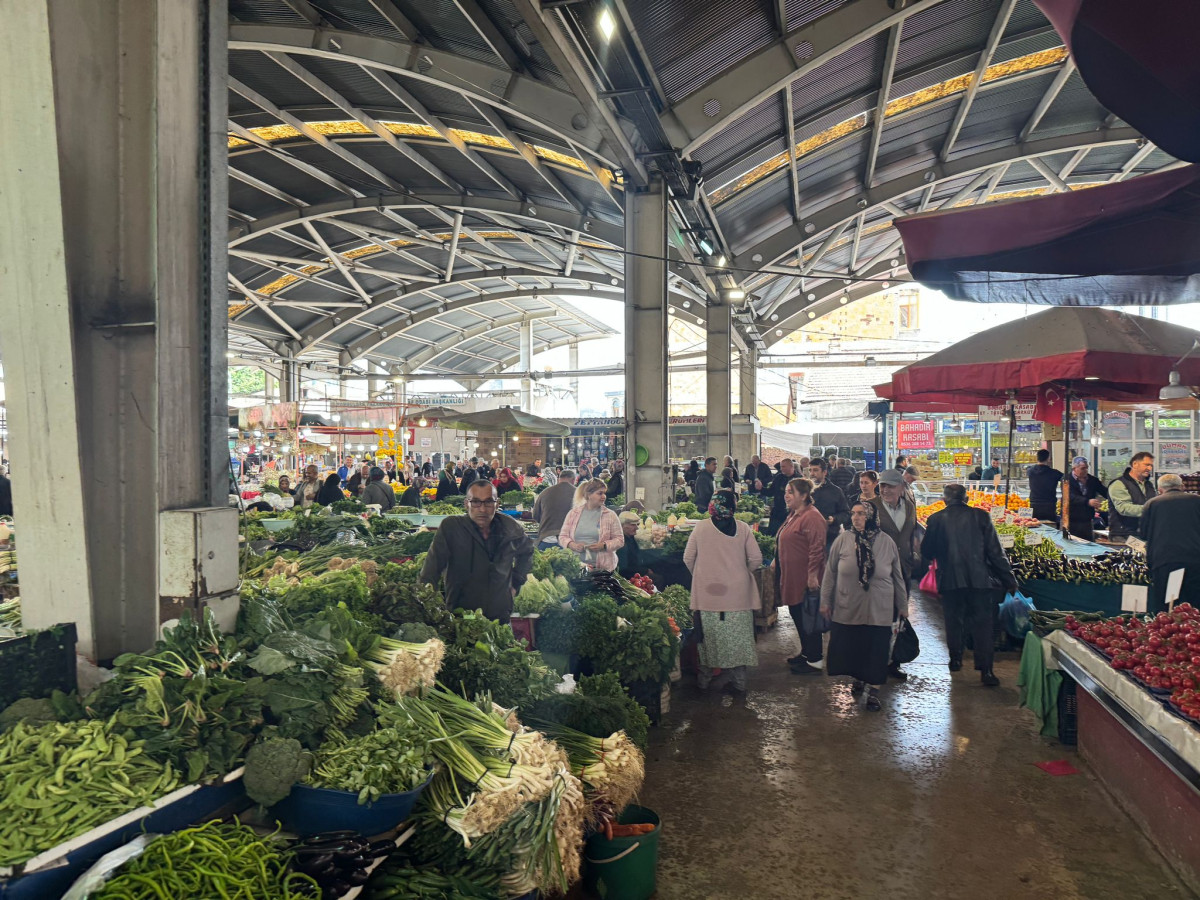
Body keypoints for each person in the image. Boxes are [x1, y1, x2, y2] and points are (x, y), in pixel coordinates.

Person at [921, 484, 1017, 686]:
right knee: (983, 625)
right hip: (979, 579)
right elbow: (995, 552)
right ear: (966, 499)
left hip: (949, 579)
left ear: (944, 499)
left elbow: (927, 552)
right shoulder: (981, 517)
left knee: (953, 620)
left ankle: (955, 659)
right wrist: (1009, 579)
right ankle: (986, 671)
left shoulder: (936, 519)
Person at [820, 502, 909, 711]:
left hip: (879, 607)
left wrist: (903, 604)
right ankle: (859, 678)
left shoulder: (887, 542)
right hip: (848, 604)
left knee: (876, 649)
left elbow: (898, 577)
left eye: (861, 514)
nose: (856, 517)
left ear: (871, 516)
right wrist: (825, 601)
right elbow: (830, 573)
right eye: (853, 513)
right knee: (855, 646)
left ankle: (874, 692)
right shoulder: (843, 540)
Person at [683, 490, 764, 692]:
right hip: (738, 596)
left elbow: (687, 558)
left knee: (709, 640)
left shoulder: (701, 528)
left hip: (708, 595)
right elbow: (756, 559)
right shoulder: (743, 528)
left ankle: (704, 681)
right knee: (739, 639)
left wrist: (702, 575)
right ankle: (739, 683)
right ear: (732, 506)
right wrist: (741, 574)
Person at [419, 480, 533, 623]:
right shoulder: (452, 528)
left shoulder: (510, 528)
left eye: (488, 502)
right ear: (467, 504)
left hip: (500, 617)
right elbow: (430, 571)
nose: (482, 509)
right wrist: (429, 609)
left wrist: (516, 582)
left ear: (497, 504)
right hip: (461, 618)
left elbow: (527, 551)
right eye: (476, 502)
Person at [774, 478, 828, 675]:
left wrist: (813, 575)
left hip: (804, 578)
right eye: (786, 491)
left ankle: (814, 661)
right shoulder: (795, 514)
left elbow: (817, 548)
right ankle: (806, 653)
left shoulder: (812, 517)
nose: (786, 495)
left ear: (803, 495)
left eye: (791, 492)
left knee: (808, 617)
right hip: (792, 576)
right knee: (798, 614)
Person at [872, 469, 920, 681]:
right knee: (877, 618)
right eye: (882, 485)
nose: (885, 489)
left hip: (903, 570)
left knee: (898, 616)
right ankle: (874, 662)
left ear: (902, 488)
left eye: (890, 486)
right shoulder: (870, 507)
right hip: (879, 574)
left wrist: (912, 559)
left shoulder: (910, 507)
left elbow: (909, 538)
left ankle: (894, 661)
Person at [1141, 474, 1200, 612]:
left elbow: (1144, 534)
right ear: (1182, 486)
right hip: (1195, 560)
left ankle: (1169, 631)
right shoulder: (1197, 501)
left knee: (1169, 603)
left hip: (1166, 561)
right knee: (1195, 603)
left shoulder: (1152, 504)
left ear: (1160, 489)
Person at [559, 479, 624, 571]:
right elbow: (563, 537)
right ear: (589, 495)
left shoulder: (610, 515)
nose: (604, 496)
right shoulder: (573, 514)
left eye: (604, 493)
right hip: (576, 567)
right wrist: (572, 545)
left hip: (603, 569)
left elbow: (620, 540)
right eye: (600, 493)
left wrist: (604, 545)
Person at [1108, 451, 1155, 542]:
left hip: (1143, 534)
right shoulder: (1118, 484)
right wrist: (1151, 510)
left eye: (1151, 466)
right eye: (1146, 465)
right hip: (1123, 536)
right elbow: (1124, 508)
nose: (1149, 468)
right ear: (1135, 464)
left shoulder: (1149, 485)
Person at [808, 456, 851, 548]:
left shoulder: (835, 491)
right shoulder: (804, 490)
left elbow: (846, 513)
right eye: (810, 470)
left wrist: (834, 519)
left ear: (824, 472)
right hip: (807, 538)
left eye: (815, 470)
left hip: (829, 538)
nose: (812, 473)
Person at [532, 468, 577, 550]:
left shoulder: (545, 492)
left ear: (558, 478)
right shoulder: (578, 494)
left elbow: (535, 516)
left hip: (546, 538)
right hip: (569, 541)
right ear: (574, 480)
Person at [1066, 456, 1107, 540]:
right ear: (1074, 468)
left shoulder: (1092, 480)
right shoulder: (1066, 480)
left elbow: (1104, 491)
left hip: (1087, 519)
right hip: (1071, 519)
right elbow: (1070, 496)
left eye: (1087, 468)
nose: (1085, 471)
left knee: (1088, 542)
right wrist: (1087, 501)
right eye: (1083, 468)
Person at [1026, 449, 1063, 522]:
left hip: (1034, 504)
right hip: (1049, 505)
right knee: (1051, 527)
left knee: (1035, 526)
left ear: (1037, 458)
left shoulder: (1030, 471)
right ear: (1048, 458)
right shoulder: (1054, 473)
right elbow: (1066, 478)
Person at [765, 458, 797, 535]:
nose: (781, 468)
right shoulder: (778, 477)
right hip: (777, 511)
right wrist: (761, 488)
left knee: (786, 535)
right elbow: (770, 492)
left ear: (791, 466)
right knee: (772, 534)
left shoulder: (798, 479)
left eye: (783, 466)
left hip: (790, 513)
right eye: (781, 466)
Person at [616, 510, 643, 578]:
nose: (636, 528)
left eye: (637, 524)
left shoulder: (630, 537)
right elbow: (625, 569)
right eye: (633, 524)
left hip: (635, 571)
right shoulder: (621, 544)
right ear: (622, 525)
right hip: (628, 577)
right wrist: (645, 571)